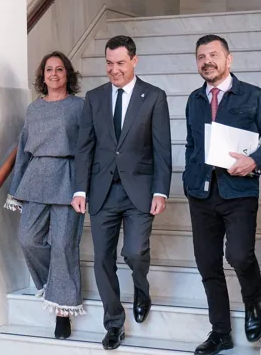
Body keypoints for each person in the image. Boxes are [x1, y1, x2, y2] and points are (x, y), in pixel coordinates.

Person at [183, 35, 261, 355]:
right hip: (201, 193)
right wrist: (190, 178)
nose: (206, 61)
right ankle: (220, 332)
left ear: (229, 59)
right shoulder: (194, 100)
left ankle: (253, 303)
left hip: (239, 191)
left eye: (213, 55)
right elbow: (192, 145)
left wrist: (254, 160)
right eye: (201, 57)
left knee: (239, 255)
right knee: (207, 264)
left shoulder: (254, 96)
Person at [72, 35, 172, 350]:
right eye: (109, 63)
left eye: (120, 63)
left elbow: (162, 149)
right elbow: (84, 147)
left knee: (133, 252)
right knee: (102, 259)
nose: (114, 70)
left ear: (134, 61)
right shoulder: (94, 97)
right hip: (101, 191)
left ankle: (141, 288)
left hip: (139, 190)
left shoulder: (154, 96)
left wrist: (161, 191)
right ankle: (114, 323)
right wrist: (80, 188)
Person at [5, 51, 86, 340]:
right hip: (36, 178)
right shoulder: (33, 109)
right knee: (28, 239)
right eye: (49, 70)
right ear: (43, 76)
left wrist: (84, 186)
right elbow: (24, 147)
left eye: (60, 69)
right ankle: (54, 285)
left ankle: (63, 311)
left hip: (68, 177)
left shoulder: (80, 107)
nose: (54, 74)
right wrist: (16, 189)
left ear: (68, 75)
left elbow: (88, 148)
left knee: (64, 244)